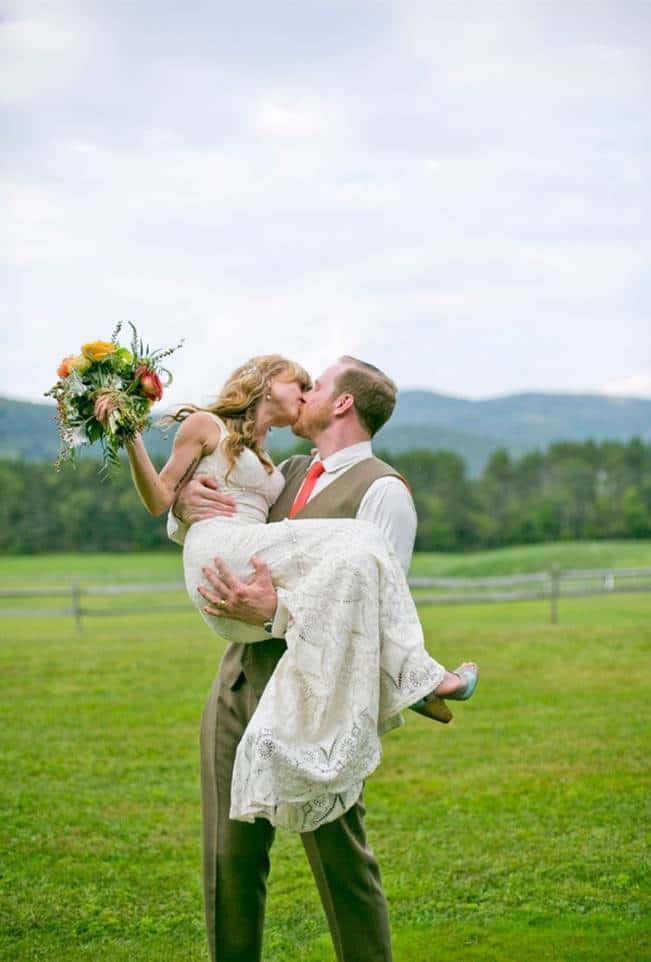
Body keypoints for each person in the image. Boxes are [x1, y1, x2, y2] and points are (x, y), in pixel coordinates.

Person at [163, 354, 478, 962]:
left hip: (321, 696)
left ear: (341, 404)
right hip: (238, 684)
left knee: (339, 861)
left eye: (315, 387)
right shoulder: (283, 469)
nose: (299, 395)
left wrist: (275, 611)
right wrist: (183, 502)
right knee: (229, 861)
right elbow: (220, 525)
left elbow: (370, 612)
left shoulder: (384, 493)